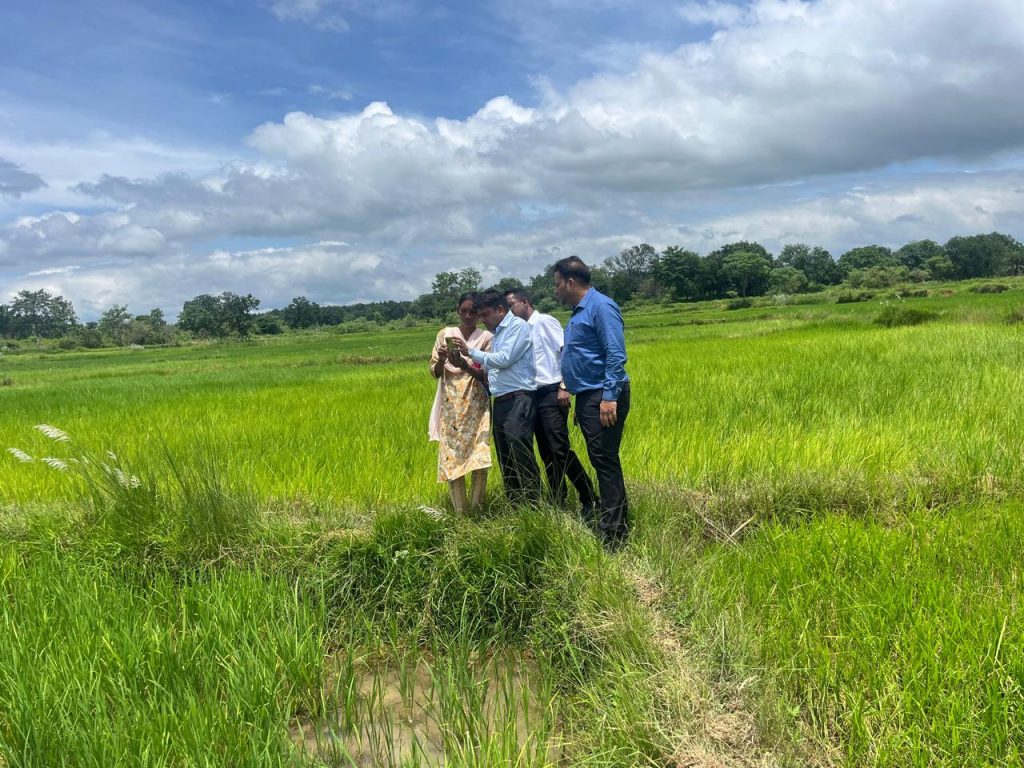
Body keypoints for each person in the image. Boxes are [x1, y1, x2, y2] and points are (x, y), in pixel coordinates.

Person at [552, 256, 631, 550]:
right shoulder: (579, 312)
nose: (555, 290)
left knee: (605, 461)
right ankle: (615, 523)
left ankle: (614, 534)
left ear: (570, 282)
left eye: (557, 284)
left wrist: (609, 398)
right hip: (589, 396)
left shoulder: (600, 306)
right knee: (602, 460)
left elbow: (615, 354)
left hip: (602, 394)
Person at [505, 288, 597, 517]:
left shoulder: (544, 322)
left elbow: (567, 352)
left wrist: (565, 386)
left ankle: (589, 497)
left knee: (559, 448)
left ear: (525, 302)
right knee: (546, 452)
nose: (509, 311)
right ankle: (558, 500)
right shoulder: (519, 330)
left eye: (511, 305)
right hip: (530, 395)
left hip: (551, 392)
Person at [450, 290, 542, 506]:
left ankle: (533, 506)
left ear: (501, 310)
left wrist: (470, 352)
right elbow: (492, 368)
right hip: (501, 399)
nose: (482, 319)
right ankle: (516, 505)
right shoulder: (499, 333)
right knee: (506, 456)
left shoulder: (517, 327)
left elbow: (504, 359)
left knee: (520, 454)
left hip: (518, 398)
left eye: (485, 314)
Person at [429, 292, 492, 514]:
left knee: (479, 456)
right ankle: (461, 513)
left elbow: (488, 374)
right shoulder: (444, 334)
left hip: (477, 404)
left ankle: (477, 510)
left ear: (479, 314)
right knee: (453, 457)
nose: (467, 315)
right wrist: (442, 359)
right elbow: (434, 371)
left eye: (472, 311)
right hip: (451, 406)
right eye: (463, 311)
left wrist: (465, 362)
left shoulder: (486, 338)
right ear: (457, 311)